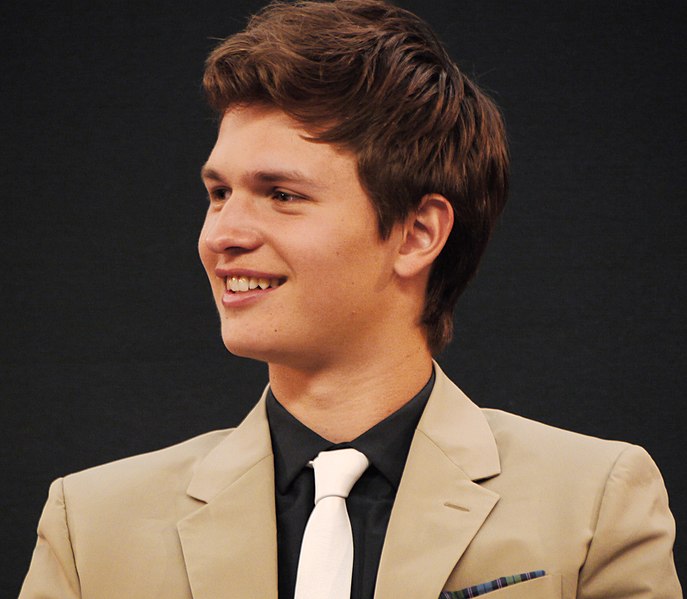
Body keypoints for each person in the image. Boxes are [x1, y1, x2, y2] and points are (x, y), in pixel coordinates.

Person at [20, 1, 680, 597]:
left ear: (417, 233)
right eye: (218, 192)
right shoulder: (92, 525)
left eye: (280, 193)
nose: (221, 234)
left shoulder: (592, 501)